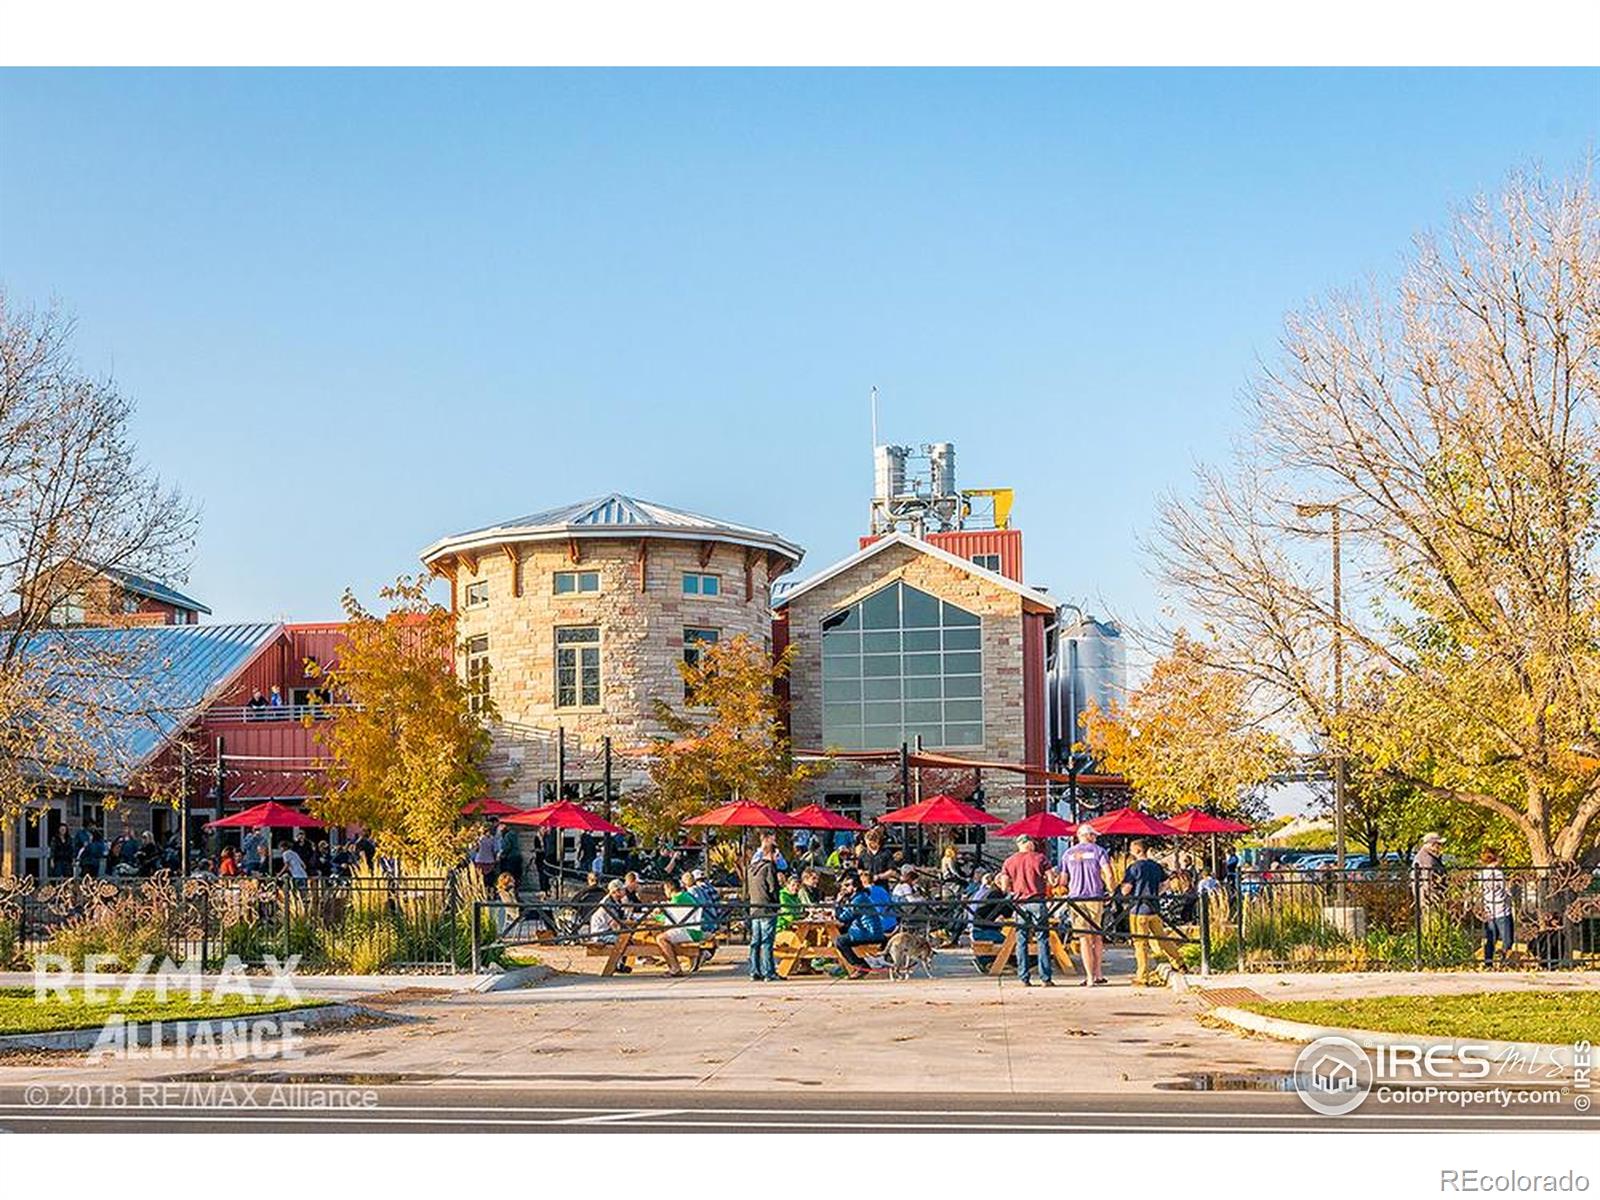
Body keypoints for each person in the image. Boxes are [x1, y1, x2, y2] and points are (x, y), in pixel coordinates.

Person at [1120, 839, 1186, 985]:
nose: (1129, 851)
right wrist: (1156, 893)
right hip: (1154, 908)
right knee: (1162, 938)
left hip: (1138, 909)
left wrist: (1121, 889)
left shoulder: (1134, 868)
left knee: (1140, 943)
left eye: (1131, 849)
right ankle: (1179, 963)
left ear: (1137, 850)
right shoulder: (1156, 866)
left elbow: (1126, 889)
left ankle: (1142, 976)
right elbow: (1166, 884)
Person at [1060, 826, 1114, 986]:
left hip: (1076, 899)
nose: (1096, 838)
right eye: (1094, 835)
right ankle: (1098, 973)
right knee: (1097, 936)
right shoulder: (1099, 851)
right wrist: (1111, 891)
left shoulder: (1068, 853)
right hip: (1095, 896)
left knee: (1084, 938)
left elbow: (1063, 880)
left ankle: (1089, 977)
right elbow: (1109, 874)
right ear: (1089, 836)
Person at [1000, 835, 1053, 986]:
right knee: (1042, 939)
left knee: (1021, 940)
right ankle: (1045, 978)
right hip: (1037, 900)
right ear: (1030, 844)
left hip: (1019, 904)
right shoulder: (1040, 858)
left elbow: (1004, 886)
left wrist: (1012, 890)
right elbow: (1052, 880)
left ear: (1019, 845)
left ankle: (1024, 977)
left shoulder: (1009, 861)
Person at [832, 873, 886, 978]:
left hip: (869, 932)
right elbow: (847, 915)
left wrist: (837, 903)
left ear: (855, 887)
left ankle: (860, 965)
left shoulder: (858, 900)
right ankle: (844, 966)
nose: (844, 888)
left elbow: (843, 917)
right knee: (842, 933)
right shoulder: (859, 897)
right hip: (868, 931)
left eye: (847, 885)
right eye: (843, 885)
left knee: (840, 941)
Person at [747, 833, 782, 981]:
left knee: (755, 941)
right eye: (777, 855)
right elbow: (772, 888)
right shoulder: (769, 867)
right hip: (767, 907)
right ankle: (769, 972)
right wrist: (777, 904)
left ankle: (754, 971)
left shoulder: (751, 867)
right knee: (767, 941)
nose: (777, 859)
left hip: (754, 907)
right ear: (772, 853)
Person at [1479, 848, 1514, 966]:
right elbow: (1506, 890)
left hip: (1489, 909)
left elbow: (1481, 890)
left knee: (1491, 939)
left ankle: (1488, 962)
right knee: (1507, 939)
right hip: (1502, 910)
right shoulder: (1498, 873)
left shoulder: (1482, 874)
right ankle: (1503, 959)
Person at [1412, 832, 1447, 904]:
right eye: (1438, 844)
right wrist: (1432, 896)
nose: (1440, 846)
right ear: (1432, 844)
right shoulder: (1426, 858)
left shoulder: (1429, 856)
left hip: (1430, 894)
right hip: (1429, 896)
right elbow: (1427, 879)